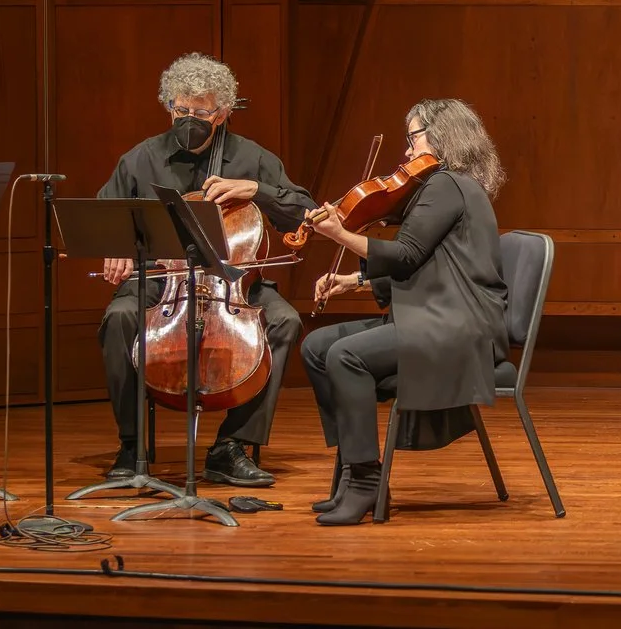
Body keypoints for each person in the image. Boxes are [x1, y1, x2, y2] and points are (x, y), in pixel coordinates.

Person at [95, 54, 310, 485]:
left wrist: (258, 190)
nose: (188, 119)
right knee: (119, 317)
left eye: (201, 112)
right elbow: (104, 215)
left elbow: (305, 212)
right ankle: (132, 445)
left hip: (233, 282)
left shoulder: (252, 158)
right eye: (181, 110)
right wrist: (114, 245)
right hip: (162, 281)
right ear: (168, 106)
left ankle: (231, 446)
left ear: (224, 112)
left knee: (284, 320)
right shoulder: (141, 159)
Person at [300, 99, 510, 526]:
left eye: (413, 137)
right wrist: (354, 281)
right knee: (317, 347)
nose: (408, 149)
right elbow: (430, 262)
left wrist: (339, 234)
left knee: (346, 355)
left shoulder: (448, 184)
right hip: (437, 312)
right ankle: (351, 470)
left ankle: (366, 481)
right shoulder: (446, 186)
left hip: (459, 324)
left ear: (443, 135)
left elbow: (407, 255)